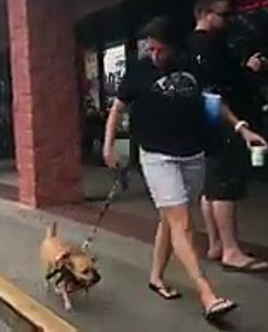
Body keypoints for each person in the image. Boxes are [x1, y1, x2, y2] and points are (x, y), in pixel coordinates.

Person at [104, 16, 248, 320]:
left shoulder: (191, 66)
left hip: (192, 154)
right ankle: (207, 293)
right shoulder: (138, 70)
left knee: (170, 220)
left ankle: (156, 277)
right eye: (151, 49)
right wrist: (110, 147)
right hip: (157, 156)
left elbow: (213, 103)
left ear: (174, 47)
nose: (154, 55)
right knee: (181, 222)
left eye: (160, 49)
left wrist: (242, 128)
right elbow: (117, 110)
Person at [189, 0, 268, 272]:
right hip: (225, 121)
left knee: (212, 186)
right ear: (205, 14)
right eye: (223, 15)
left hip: (209, 125)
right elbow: (216, 91)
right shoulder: (210, 48)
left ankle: (216, 244)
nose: (228, 20)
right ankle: (231, 250)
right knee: (225, 184)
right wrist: (240, 124)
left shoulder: (194, 46)